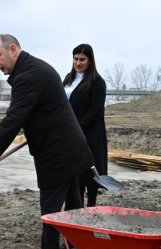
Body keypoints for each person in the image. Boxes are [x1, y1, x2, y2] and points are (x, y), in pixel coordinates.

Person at [0, 34, 94, 249]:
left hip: (57, 152)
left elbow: (12, 122)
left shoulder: (28, 77)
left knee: (50, 207)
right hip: (69, 147)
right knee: (74, 202)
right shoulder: (36, 68)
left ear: (13, 49)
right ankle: (81, 246)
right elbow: (43, 111)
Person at [62, 44, 107, 208]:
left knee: (89, 172)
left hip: (90, 134)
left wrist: (77, 126)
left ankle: (91, 207)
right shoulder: (68, 78)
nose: (78, 63)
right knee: (76, 173)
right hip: (70, 134)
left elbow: (96, 111)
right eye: (75, 59)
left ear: (90, 61)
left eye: (82, 59)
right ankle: (77, 206)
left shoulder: (97, 82)